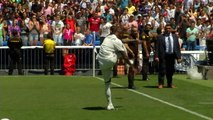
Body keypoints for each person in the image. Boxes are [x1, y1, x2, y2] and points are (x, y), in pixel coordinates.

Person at [97, 25, 135, 110]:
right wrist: (132, 66)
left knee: (107, 84)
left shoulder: (107, 38)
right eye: (121, 32)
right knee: (122, 52)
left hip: (101, 61)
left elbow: (123, 40)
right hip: (110, 60)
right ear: (118, 32)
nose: (122, 34)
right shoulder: (117, 41)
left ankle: (110, 104)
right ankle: (130, 65)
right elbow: (124, 56)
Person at [154, 24, 182, 89]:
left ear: (171, 29)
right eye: (166, 28)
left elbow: (177, 47)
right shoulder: (160, 37)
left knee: (171, 70)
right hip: (163, 55)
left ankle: (170, 84)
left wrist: (178, 57)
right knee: (162, 70)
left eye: (169, 28)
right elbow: (157, 47)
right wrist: (156, 56)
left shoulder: (175, 36)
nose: (168, 30)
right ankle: (161, 83)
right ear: (164, 29)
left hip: (171, 56)